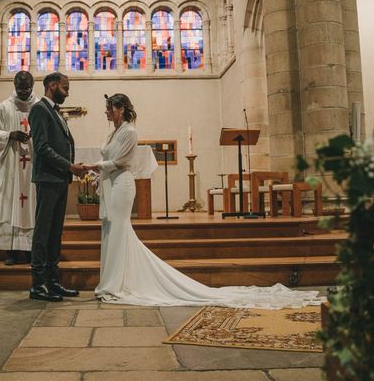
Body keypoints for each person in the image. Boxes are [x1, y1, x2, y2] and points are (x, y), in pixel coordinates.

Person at [83, 93, 321, 308]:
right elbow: (110, 160)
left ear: (120, 109)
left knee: (118, 232)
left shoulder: (129, 132)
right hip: (110, 184)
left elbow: (121, 161)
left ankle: (114, 285)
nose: (105, 112)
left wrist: (94, 166)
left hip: (122, 185)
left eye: (108, 108)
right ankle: (114, 281)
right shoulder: (112, 132)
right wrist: (96, 175)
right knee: (112, 232)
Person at [28, 72, 85, 301]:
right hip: (48, 179)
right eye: (65, 87)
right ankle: (38, 284)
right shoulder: (40, 109)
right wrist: (69, 166)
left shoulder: (55, 112)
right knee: (43, 232)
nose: (67, 92)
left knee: (55, 233)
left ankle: (52, 281)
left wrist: (68, 169)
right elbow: (41, 147)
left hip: (59, 179)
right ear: (52, 86)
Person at [0, 71, 39, 265]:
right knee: (9, 202)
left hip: (32, 165)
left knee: (32, 206)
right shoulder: (4, 108)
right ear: (14, 86)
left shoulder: (39, 108)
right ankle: (12, 252)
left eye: (27, 88)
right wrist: (9, 135)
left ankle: (32, 250)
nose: (24, 92)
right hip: (10, 166)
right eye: (20, 88)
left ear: (32, 86)